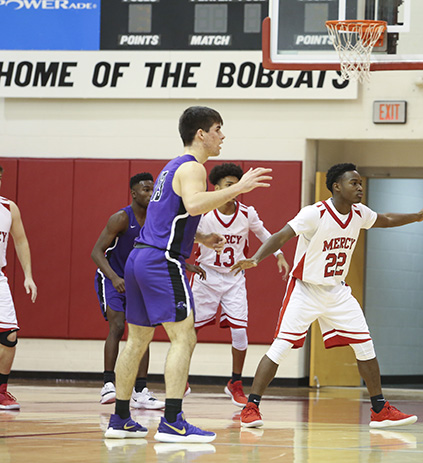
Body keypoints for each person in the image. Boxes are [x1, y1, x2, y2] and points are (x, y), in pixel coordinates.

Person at [103, 106, 272, 443]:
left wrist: (199, 237)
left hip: (139, 258)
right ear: (201, 134)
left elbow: (163, 216)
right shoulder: (194, 167)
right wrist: (241, 188)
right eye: (218, 129)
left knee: (137, 340)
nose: (222, 136)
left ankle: (120, 419)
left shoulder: (170, 168)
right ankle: (173, 421)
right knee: (185, 338)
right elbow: (195, 205)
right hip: (162, 262)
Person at [231, 162, 423, 429]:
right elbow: (282, 235)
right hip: (305, 289)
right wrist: (257, 258)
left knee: (365, 347)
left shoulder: (359, 213)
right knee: (280, 348)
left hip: (337, 291)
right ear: (337, 186)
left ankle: (379, 409)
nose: (360, 187)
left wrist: (416, 217)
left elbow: (384, 219)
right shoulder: (314, 213)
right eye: (354, 183)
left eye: (361, 183)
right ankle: (251, 407)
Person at [92, 173, 205, 409]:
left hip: (137, 279)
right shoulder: (122, 218)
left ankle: (140, 390)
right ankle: (108, 383)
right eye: (145, 190)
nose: (150, 193)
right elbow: (96, 252)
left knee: (142, 333)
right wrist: (114, 278)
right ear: (133, 193)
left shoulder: (156, 218)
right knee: (118, 326)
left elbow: (160, 250)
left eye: (152, 189)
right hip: (112, 277)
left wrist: (185, 264)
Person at [191, 163, 289, 406]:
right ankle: (180, 376)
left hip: (234, 277)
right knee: (189, 331)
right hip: (206, 277)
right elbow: (186, 236)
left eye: (237, 185)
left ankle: (235, 382)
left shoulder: (247, 213)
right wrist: (187, 263)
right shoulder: (204, 213)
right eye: (228, 185)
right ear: (216, 188)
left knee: (240, 332)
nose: (233, 189)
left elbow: (265, 234)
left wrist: (279, 255)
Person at [0, 165, 38, 410]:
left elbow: (21, 240)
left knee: (9, 335)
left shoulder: (8, 208)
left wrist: (28, 276)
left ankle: (1, 391)